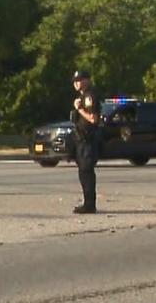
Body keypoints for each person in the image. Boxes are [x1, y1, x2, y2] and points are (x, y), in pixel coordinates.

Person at [70, 70, 101, 214]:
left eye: (80, 80)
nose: (77, 83)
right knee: (83, 171)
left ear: (87, 80)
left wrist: (79, 109)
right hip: (81, 139)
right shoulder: (82, 96)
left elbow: (93, 119)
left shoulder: (89, 96)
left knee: (86, 171)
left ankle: (90, 204)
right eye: (75, 80)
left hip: (88, 139)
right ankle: (87, 202)